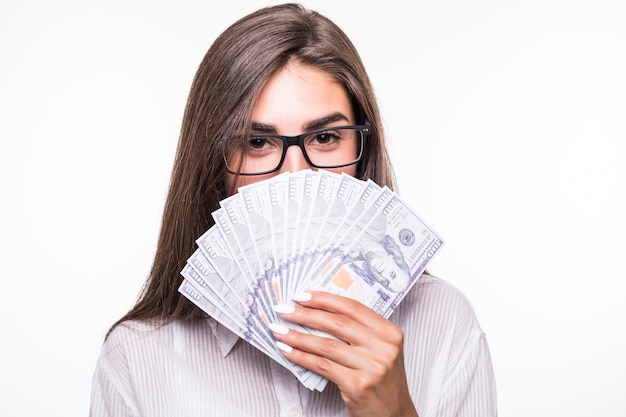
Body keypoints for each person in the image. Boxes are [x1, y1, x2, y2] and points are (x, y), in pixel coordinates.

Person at [89, 4, 497, 417]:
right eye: (257, 143)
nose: (296, 175)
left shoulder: (444, 323)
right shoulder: (136, 358)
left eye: (324, 137)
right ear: (213, 162)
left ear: (362, 148)